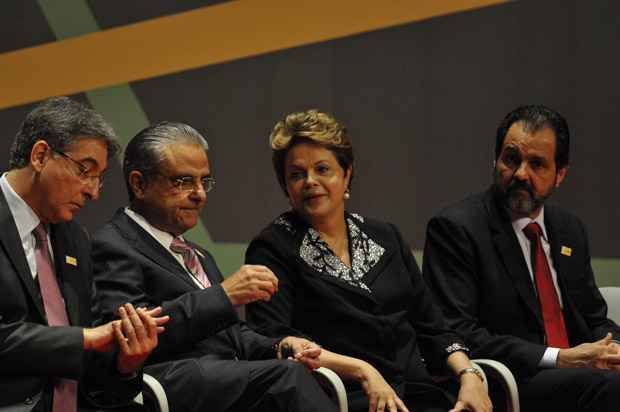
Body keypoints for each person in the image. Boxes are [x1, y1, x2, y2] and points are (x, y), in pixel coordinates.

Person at [245, 109, 492, 412]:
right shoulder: (271, 248)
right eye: (296, 175)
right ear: (286, 188)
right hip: (344, 397)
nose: (310, 181)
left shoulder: (385, 236)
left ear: (346, 174)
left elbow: (433, 327)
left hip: (419, 393)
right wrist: (363, 371)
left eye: (322, 169)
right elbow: (276, 342)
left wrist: (468, 375)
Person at [91, 121, 339, 412]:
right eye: (184, 182)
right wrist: (224, 295)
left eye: (204, 181)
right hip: (169, 382)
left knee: (299, 369)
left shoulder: (198, 253)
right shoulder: (112, 244)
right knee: (288, 380)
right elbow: (128, 334)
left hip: (224, 380)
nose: (200, 194)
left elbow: (233, 335)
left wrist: (281, 345)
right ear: (139, 183)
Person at [422, 104, 620, 412]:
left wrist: (614, 349)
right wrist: (560, 358)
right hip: (511, 377)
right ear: (496, 159)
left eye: (537, 164)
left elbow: (593, 317)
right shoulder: (456, 228)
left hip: (578, 374)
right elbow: (458, 330)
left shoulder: (569, 229)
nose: (520, 174)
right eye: (511, 159)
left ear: (560, 174)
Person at [0, 97, 167, 412]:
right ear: (40, 156)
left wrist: (124, 362)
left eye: (99, 177)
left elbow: (91, 367)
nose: (93, 191)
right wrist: (86, 339)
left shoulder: (74, 238)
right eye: (85, 171)